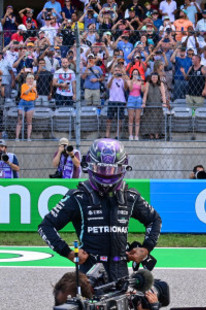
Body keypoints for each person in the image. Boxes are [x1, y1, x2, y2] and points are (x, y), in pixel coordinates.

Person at [38, 139, 162, 282]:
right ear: (90, 166)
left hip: (120, 274)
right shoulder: (78, 197)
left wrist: (146, 249)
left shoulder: (130, 197)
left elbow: (155, 220)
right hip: (89, 275)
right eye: (102, 169)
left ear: (122, 168)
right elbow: (46, 226)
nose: (107, 174)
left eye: (112, 169)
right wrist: (68, 252)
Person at [141, 73, 168, 140]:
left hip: (158, 105)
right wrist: (143, 103)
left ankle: (157, 134)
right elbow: (145, 94)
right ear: (151, 78)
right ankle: (150, 134)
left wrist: (164, 103)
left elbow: (163, 94)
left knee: (157, 120)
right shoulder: (148, 84)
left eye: (156, 77)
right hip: (149, 104)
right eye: (153, 77)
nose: (154, 79)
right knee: (149, 120)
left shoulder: (160, 84)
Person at [16, 72, 37, 140]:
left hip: (30, 103)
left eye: (32, 78)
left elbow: (35, 96)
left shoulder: (34, 87)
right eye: (29, 78)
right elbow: (25, 92)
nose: (30, 80)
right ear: (26, 79)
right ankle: (17, 137)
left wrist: (35, 91)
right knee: (20, 121)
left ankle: (28, 137)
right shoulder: (24, 85)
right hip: (23, 103)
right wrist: (30, 88)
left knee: (29, 122)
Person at [126, 69, 144, 141]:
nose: (135, 74)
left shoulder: (140, 82)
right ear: (132, 74)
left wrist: (142, 82)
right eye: (134, 73)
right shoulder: (129, 81)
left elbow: (142, 90)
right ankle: (130, 135)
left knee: (137, 118)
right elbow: (130, 89)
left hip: (138, 98)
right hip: (131, 98)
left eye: (137, 73)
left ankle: (136, 135)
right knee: (131, 118)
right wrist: (133, 81)